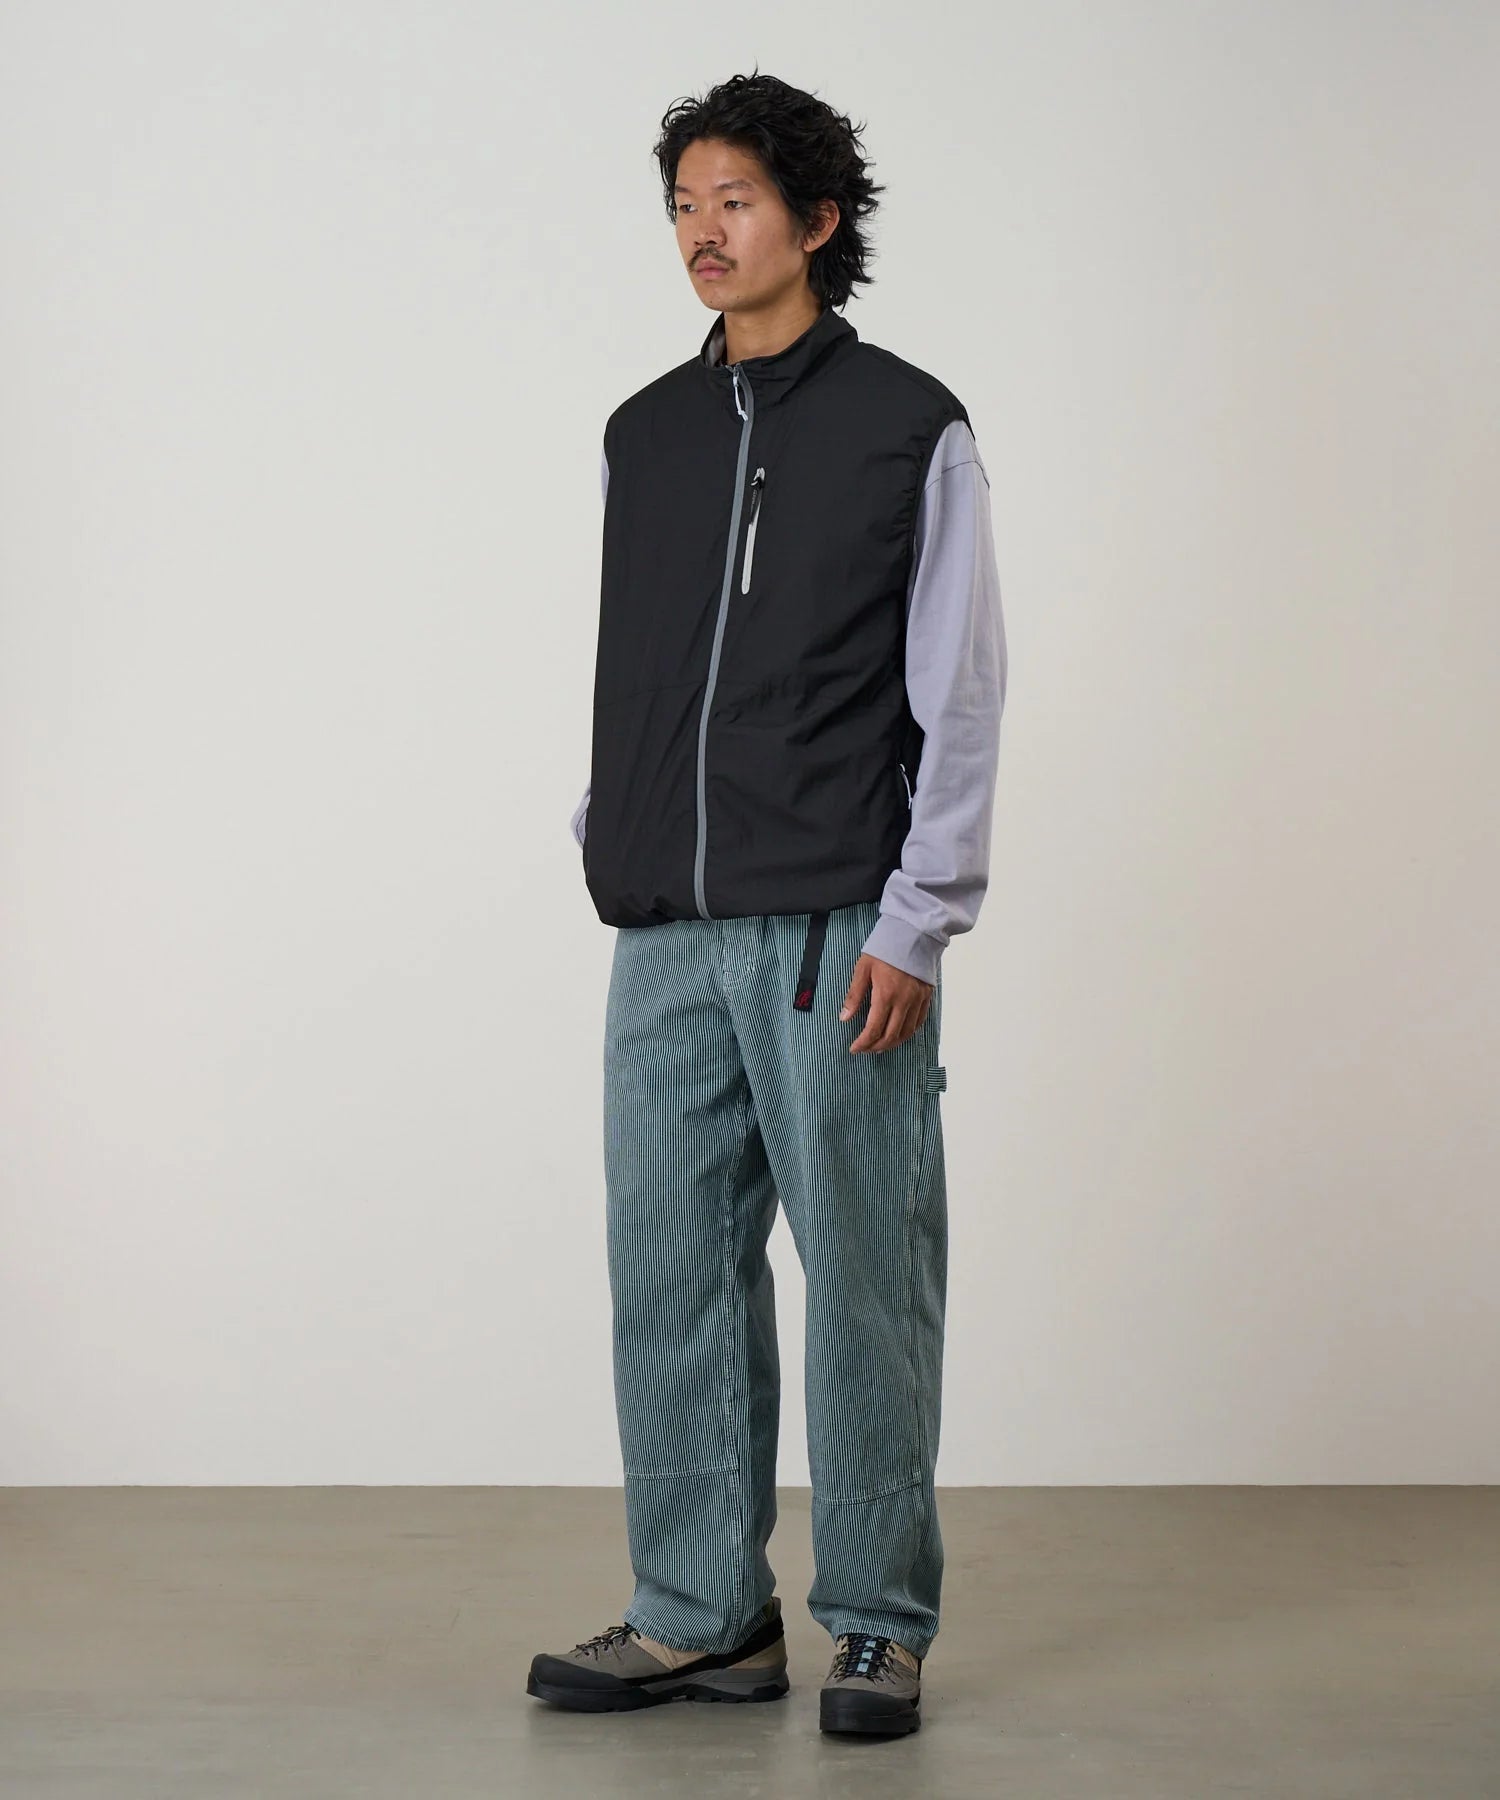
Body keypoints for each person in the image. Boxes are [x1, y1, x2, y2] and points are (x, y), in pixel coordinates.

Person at [526, 70, 1006, 1740]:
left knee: (865, 1280)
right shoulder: (644, 433)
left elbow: (960, 690)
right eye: (683, 204)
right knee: (666, 1274)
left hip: (834, 931)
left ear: (815, 219)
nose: (702, 232)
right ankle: (701, 1613)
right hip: (663, 927)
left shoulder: (908, 426)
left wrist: (918, 916)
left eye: (733, 200)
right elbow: (637, 663)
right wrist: (613, 829)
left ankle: (877, 1620)